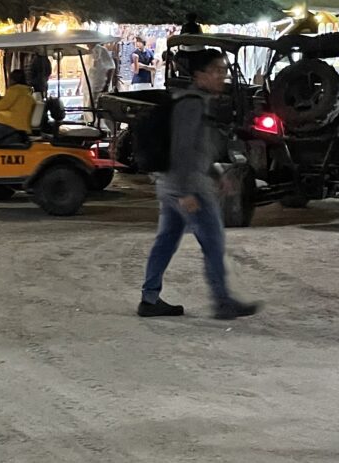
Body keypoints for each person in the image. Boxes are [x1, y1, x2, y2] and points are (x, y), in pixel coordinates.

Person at [138, 49, 258, 321]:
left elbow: (197, 151)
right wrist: (186, 193)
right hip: (187, 187)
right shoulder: (191, 104)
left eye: (223, 70)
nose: (222, 76)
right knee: (213, 243)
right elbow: (182, 150)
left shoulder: (194, 102)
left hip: (173, 184)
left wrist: (217, 176)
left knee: (166, 241)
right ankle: (223, 302)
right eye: (216, 70)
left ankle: (149, 298)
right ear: (199, 75)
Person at [83, 43, 116, 114]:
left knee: (95, 109)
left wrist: (106, 85)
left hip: (99, 86)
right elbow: (85, 70)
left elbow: (111, 67)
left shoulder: (102, 50)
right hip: (87, 87)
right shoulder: (87, 53)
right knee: (87, 109)